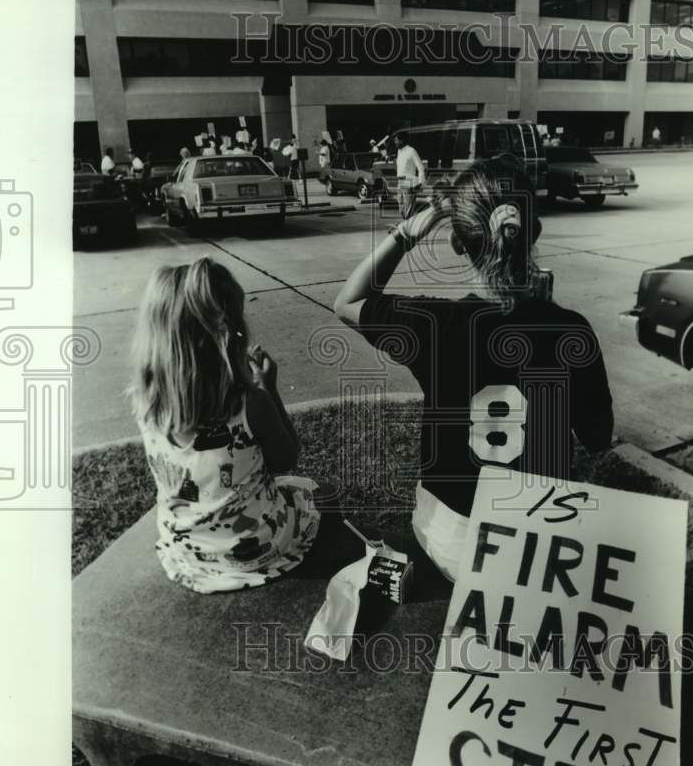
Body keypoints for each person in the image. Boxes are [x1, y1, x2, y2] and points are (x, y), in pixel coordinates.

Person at [334, 167, 614, 581]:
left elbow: (347, 301)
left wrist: (407, 233)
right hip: (540, 547)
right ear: (531, 233)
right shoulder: (571, 329)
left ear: (457, 243)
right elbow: (597, 437)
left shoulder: (433, 324)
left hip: (451, 545)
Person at [130, 257, 322, 593]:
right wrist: (269, 389)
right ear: (228, 335)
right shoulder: (250, 404)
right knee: (305, 492)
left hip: (187, 553)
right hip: (255, 554)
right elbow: (286, 459)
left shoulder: (145, 403)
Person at [393, 131, 426, 219]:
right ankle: (411, 222)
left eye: (396, 140)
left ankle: (409, 226)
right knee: (401, 207)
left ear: (402, 141)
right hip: (400, 182)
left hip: (409, 183)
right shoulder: (399, 151)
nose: (395, 142)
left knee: (408, 209)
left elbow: (421, 167)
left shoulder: (411, 151)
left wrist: (421, 182)